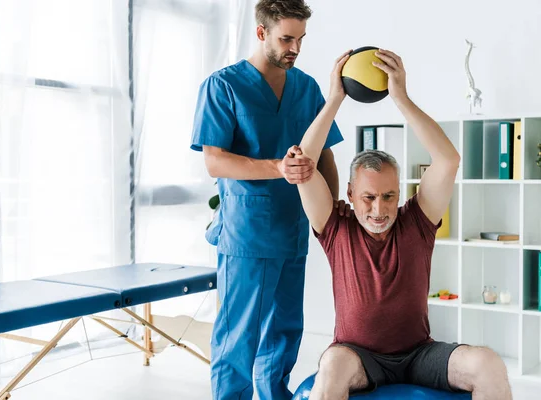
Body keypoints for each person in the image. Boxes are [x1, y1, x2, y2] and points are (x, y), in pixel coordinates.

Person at [288, 49, 513, 399]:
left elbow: (448, 159)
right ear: (350, 193)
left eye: (389, 196)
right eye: (368, 197)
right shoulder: (336, 227)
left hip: (419, 354)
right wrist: (335, 98)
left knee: (488, 364)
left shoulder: (417, 223)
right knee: (331, 367)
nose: (380, 209)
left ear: (399, 193)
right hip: (356, 355)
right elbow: (303, 165)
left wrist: (400, 97)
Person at [189, 1, 344, 398]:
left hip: (294, 228)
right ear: (261, 33)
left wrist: (332, 212)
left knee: (286, 332)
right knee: (239, 337)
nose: (294, 48)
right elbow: (215, 161)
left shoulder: (306, 87)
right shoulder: (223, 86)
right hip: (247, 234)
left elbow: (323, 152)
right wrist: (278, 168)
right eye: (286, 38)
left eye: (300, 39)